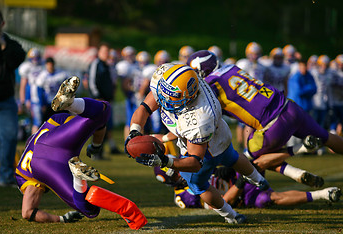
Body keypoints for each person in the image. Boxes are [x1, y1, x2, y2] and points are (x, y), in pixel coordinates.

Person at [125, 63, 269, 224]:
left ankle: (231, 216)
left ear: (189, 97)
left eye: (172, 97)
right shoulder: (173, 79)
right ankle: (258, 179)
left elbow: (195, 162)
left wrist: (165, 161)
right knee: (232, 157)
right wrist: (134, 132)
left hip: (208, 147)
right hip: (221, 133)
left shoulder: (199, 119)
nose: (164, 100)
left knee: (198, 185)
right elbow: (144, 108)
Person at [187, 50, 343, 187]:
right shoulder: (232, 68)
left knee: (251, 161)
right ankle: (298, 170)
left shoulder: (211, 85)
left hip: (272, 125)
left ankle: (298, 154)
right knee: (327, 137)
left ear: (201, 71)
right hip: (289, 107)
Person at [15, 76, 147, 229]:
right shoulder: (45, 128)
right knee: (103, 110)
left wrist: (61, 219)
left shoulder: (22, 173)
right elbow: (94, 123)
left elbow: (28, 212)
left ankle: (79, 179)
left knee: (89, 209)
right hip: (54, 139)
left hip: (42, 166)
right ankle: (72, 103)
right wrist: (96, 146)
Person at [153, 166, 341, 209]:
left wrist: (223, 169)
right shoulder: (186, 196)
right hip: (239, 196)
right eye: (177, 173)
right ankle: (323, 194)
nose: (181, 171)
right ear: (172, 181)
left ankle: (297, 159)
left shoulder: (191, 167)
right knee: (267, 199)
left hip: (235, 178)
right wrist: (241, 183)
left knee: (257, 156)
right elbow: (222, 203)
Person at [0, 9, 26, 187]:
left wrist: (3, 45)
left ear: (3, 24)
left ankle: (6, 177)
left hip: (5, 100)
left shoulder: (11, 44)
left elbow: (15, 61)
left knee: (8, 138)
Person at [85, 42, 121, 159]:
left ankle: (100, 152)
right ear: (99, 52)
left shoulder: (107, 65)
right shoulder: (96, 64)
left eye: (107, 51)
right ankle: (95, 152)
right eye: (104, 51)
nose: (107, 54)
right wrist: (97, 96)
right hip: (99, 100)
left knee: (106, 126)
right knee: (98, 126)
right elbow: (91, 81)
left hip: (106, 100)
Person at [18, 47, 45, 134]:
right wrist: (24, 100)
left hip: (44, 97)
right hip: (33, 98)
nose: (35, 60)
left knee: (43, 121)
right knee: (36, 121)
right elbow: (23, 86)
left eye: (37, 57)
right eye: (33, 58)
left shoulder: (43, 66)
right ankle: (34, 142)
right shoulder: (27, 68)